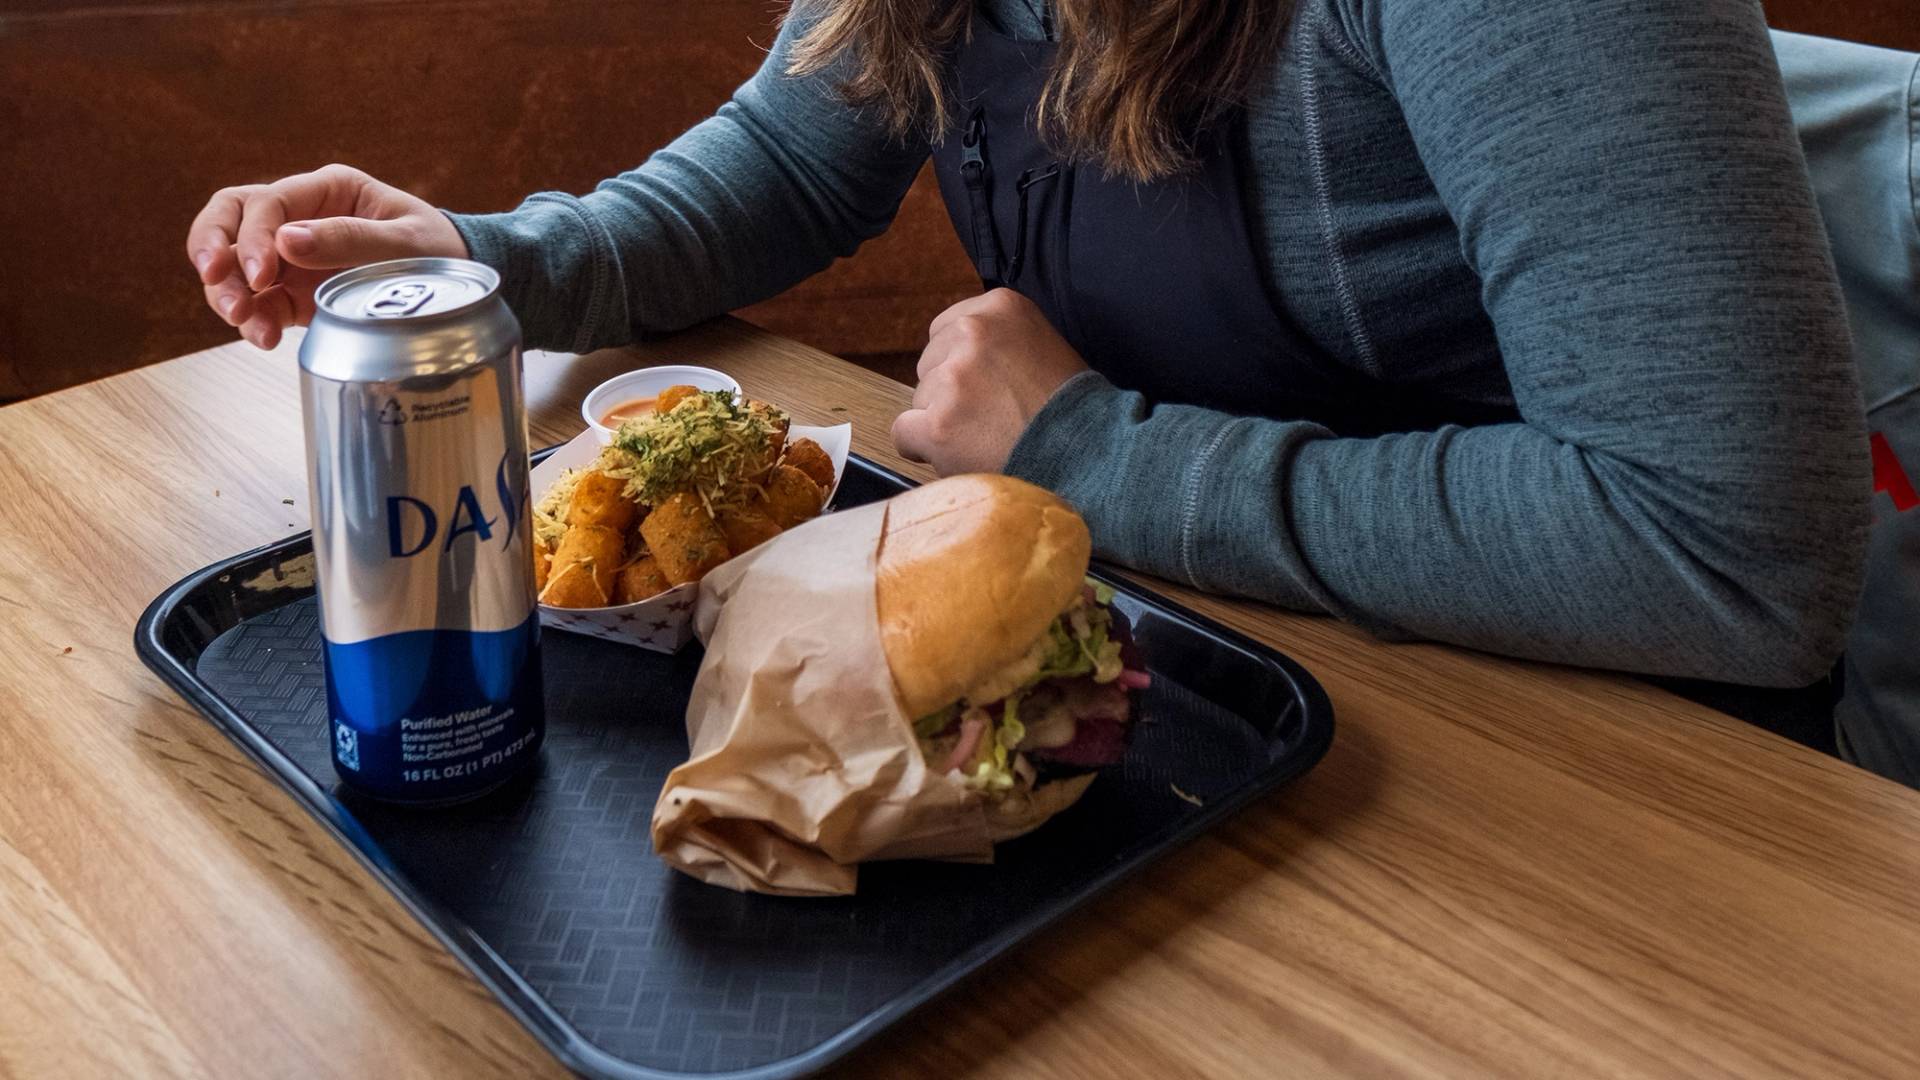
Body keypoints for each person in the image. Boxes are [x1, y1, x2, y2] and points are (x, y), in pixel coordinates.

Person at [186, 1, 1872, 735]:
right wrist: (493, 259)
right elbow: (779, 163)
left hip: (1607, 758)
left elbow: (1728, 547)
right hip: (1207, 671)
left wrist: (1090, 451)